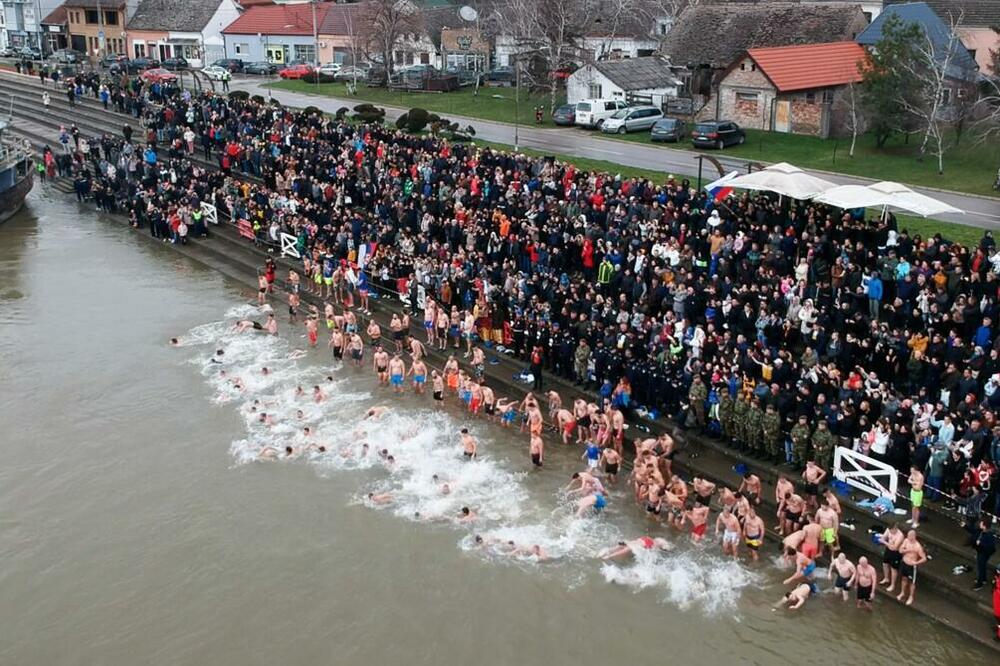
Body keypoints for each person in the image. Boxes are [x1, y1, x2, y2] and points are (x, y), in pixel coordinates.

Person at [897, 529, 927, 605]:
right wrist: (907, 550)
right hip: (904, 563)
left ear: (914, 536)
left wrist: (916, 562)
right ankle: (902, 592)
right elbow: (900, 550)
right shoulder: (906, 541)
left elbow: (924, 558)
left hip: (911, 566)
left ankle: (911, 596)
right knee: (904, 578)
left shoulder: (918, 546)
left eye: (910, 536)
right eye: (908, 536)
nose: (909, 538)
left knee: (912, 582)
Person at [973, 518, 997, 590]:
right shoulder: (985, 532)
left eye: (981, 523)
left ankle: (979, 583)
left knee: (980, 567)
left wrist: (980, 543)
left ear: (984, 526)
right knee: (982, 566)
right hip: (983, 552)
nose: (980, 524)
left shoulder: (988, 534)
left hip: (983, 553)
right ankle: (983, 579)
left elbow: (989, 545)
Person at [600, 536, 670, 560]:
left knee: (626, 546)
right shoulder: (656, 543)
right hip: (644, 541)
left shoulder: (656, 542)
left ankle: (609, 552)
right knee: (627, 546)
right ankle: (609, 553)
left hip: (644, 541)